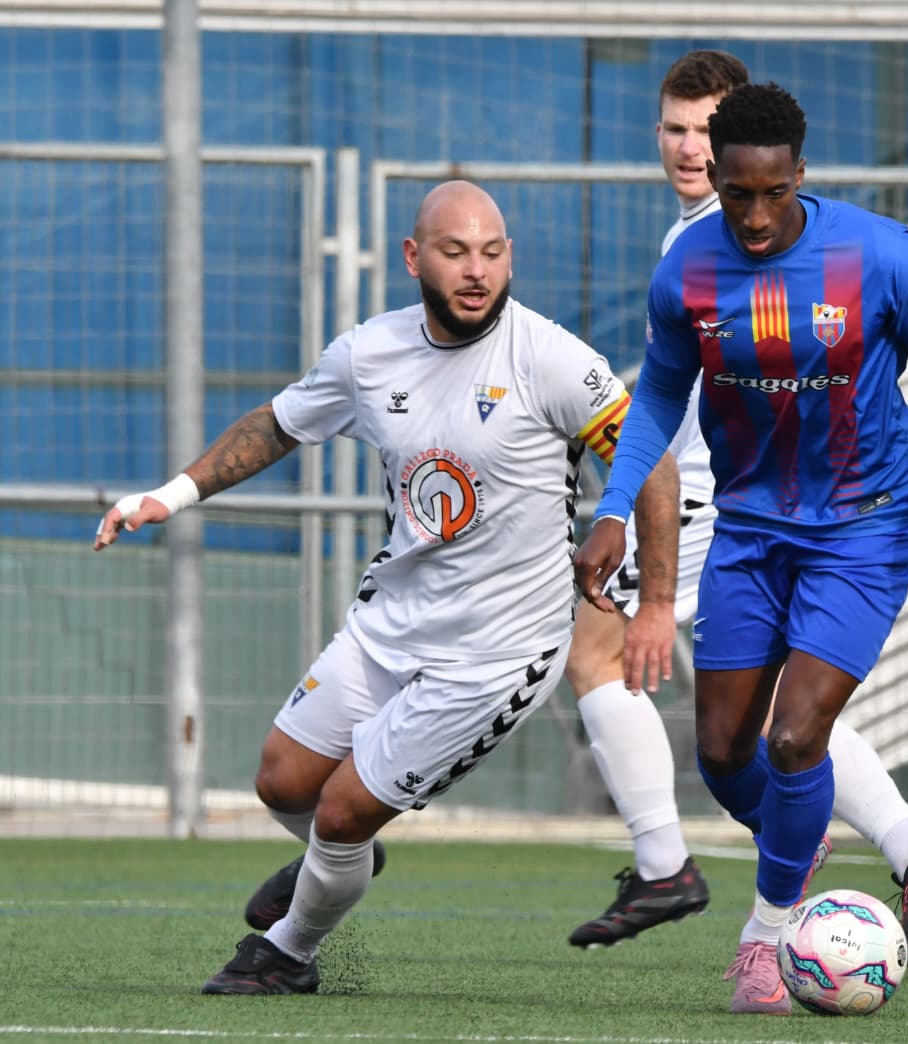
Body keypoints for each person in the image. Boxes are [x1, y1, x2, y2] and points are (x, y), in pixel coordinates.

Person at [93, 180, 678, 994]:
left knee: (340, 811)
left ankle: (289, 952)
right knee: (282, 782)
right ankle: (343, 861)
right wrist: (172, 495)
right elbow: (278, 424)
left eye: (492, 252)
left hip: (499, 653)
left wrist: (651, 596)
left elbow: (653, 461)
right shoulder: (368, 353)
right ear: (413, 257)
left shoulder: (549, 358)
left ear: (510, 258)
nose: (476, 271)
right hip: (393, 619)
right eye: (455, 252)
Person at [573, 82, 908, 1013]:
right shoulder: (687, 272)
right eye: (737, 194)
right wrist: (613, 508)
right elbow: (658, 396)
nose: (755, 216)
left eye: (774, 193)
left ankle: (768, 934)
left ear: (800, 175)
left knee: (794, 735)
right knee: (722, 752)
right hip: (751, 525)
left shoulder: (876, 254)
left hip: (868, 522)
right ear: (717, 181)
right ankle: (827, 840)